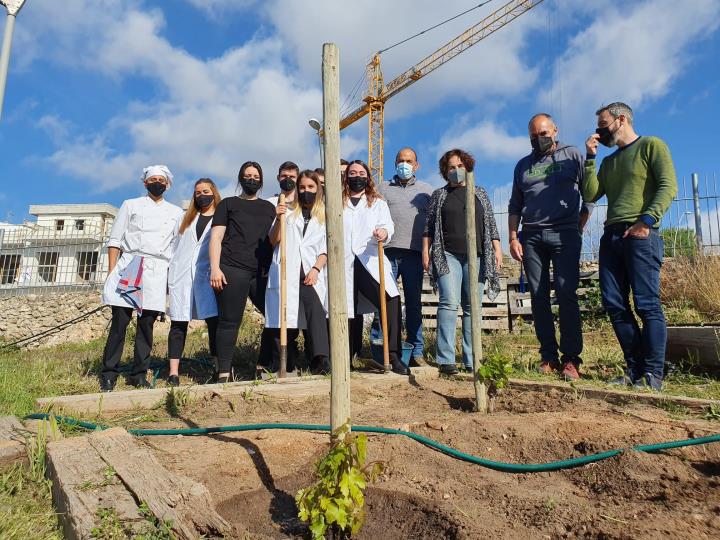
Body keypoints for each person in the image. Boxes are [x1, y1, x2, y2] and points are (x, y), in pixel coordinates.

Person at [583, 102, 677, 391]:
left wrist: (646, 221)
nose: (599, 131)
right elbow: (591, 193)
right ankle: (635, 370)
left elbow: (668, 185)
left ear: (620, 119)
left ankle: (653, 374)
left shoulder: (651, 145)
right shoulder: (609, 162)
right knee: (614, 303)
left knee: (647, 304)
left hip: (640, 233)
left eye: (603, 124)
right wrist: (590, 158)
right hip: (611, 236)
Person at [508, 114, 593, 380]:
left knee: (567, 294)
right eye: (534, 135)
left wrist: (580, 222)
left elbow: (589, 190)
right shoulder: (523, 165)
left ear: (555, 130)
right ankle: (548, 356)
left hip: (565, 233)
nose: (539, 139)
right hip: (532, 236)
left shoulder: (572, 155)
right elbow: (514, 204)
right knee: (538, 295)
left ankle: (571, 359)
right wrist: (513, 237)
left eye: (543, 133)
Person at [100, 165, 183, 391]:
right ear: (145, 183)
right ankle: (109, 373)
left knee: (146, 324)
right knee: (120, 322)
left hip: (157, 268)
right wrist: (111, 272)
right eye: (153, 179)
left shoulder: (176, 212)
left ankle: (139, 374)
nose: (157, 183)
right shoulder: (130, 205)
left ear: (167, 184)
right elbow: (115, 239)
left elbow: (176, 246)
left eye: (161, 180)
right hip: (131, 265)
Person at [423, 149, 503, 376]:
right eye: (451, 167)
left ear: (468, 167)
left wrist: (497, 249)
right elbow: (429, 226)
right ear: (445, 171)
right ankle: (446, 359)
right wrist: (425, 252)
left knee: (472, 308)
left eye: (460, 166)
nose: (456, 170)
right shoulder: (440, 195)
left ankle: (472, 358)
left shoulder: (480, 193)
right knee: (449, 303)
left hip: (476, 256)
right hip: (448, 255)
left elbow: (491, 223)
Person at [210, 161, 276, 383]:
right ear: (240, 178)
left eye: (256, 176)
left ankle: (264, 364)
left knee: (275, 316)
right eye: (247, 175)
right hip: (232, 268)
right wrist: (215, 268)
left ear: (262, 180)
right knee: (229, 322)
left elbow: (274, 239)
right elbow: (216, 238)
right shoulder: (228, 204)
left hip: (262, 272)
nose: (252, 179)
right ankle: (224, 372)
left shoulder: (270, 208)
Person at [343, 160, 408, 375]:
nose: (357, 176)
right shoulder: (335, 200)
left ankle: (394, 355)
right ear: (346, 176)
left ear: (368, 177)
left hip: (368, 258)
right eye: (353, 172)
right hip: (342, 261)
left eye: (361, 173)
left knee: (390, 299)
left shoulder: (377, 202)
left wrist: (383, 232)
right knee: (346, 308)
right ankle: (345, 356)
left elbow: (388, 225)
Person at [371, 147, 433, 366]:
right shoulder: (382, 188)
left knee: (414, 304)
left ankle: (416, 351)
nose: (404, 164)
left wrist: (429, 251)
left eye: (409, 161)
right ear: (394, 163)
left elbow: (431, 225)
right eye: (400, 160)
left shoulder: (427, 191)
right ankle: (380, 351)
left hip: (414, 254)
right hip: (387, 253)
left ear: (416, 165)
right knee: (384, 302)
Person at [266, 170, 330, 374]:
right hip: (288, 270)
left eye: (310, 187)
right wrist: (278, 219)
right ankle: (285, 362)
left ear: (317, 189)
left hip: (310, 271)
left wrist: (316, 268)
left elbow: (327, 247)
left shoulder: (324, 215)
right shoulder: (288, 212)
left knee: (316, 313)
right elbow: (273, 240)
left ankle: (321, 359)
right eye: (302, 187)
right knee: (283, 314)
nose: (306, 191)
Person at [166, 178, 221, 386]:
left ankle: (219, 368)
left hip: (208, 276)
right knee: (178, 323)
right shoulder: (184, 219)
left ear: (214, 192)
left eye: (205, 191)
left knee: (214, 323)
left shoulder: (220, 217)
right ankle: (173, 373)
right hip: (181, 277)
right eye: (197, 192)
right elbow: (172, 247)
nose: (201, 195)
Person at [259, 161, 301, 373]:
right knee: (277, 316)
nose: (288, 179)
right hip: (280, 266)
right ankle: (279, 363)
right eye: (284, 175)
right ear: (278, 178)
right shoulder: (270, 203)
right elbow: (272, 239)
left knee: (295, 316)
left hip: (300, 266)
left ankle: (294, 361)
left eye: (292, 176)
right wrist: (278, 217)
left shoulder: (304, 202)